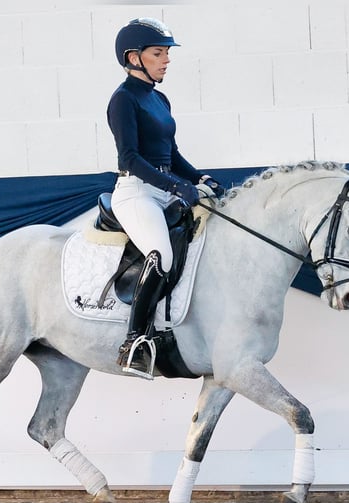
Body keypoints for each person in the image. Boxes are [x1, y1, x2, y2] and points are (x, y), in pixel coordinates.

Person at [107, 17, 225, 379]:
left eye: (166, 53)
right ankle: (135, 342)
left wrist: (199, 178)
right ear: (133, 57)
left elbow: (171, 154)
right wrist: (176, 186)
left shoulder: (159, 98)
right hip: (136, 193)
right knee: (162, 255)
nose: (166, 60)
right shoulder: (123, 100)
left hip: (164, 188)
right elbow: (130, 158)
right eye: (158, 53)